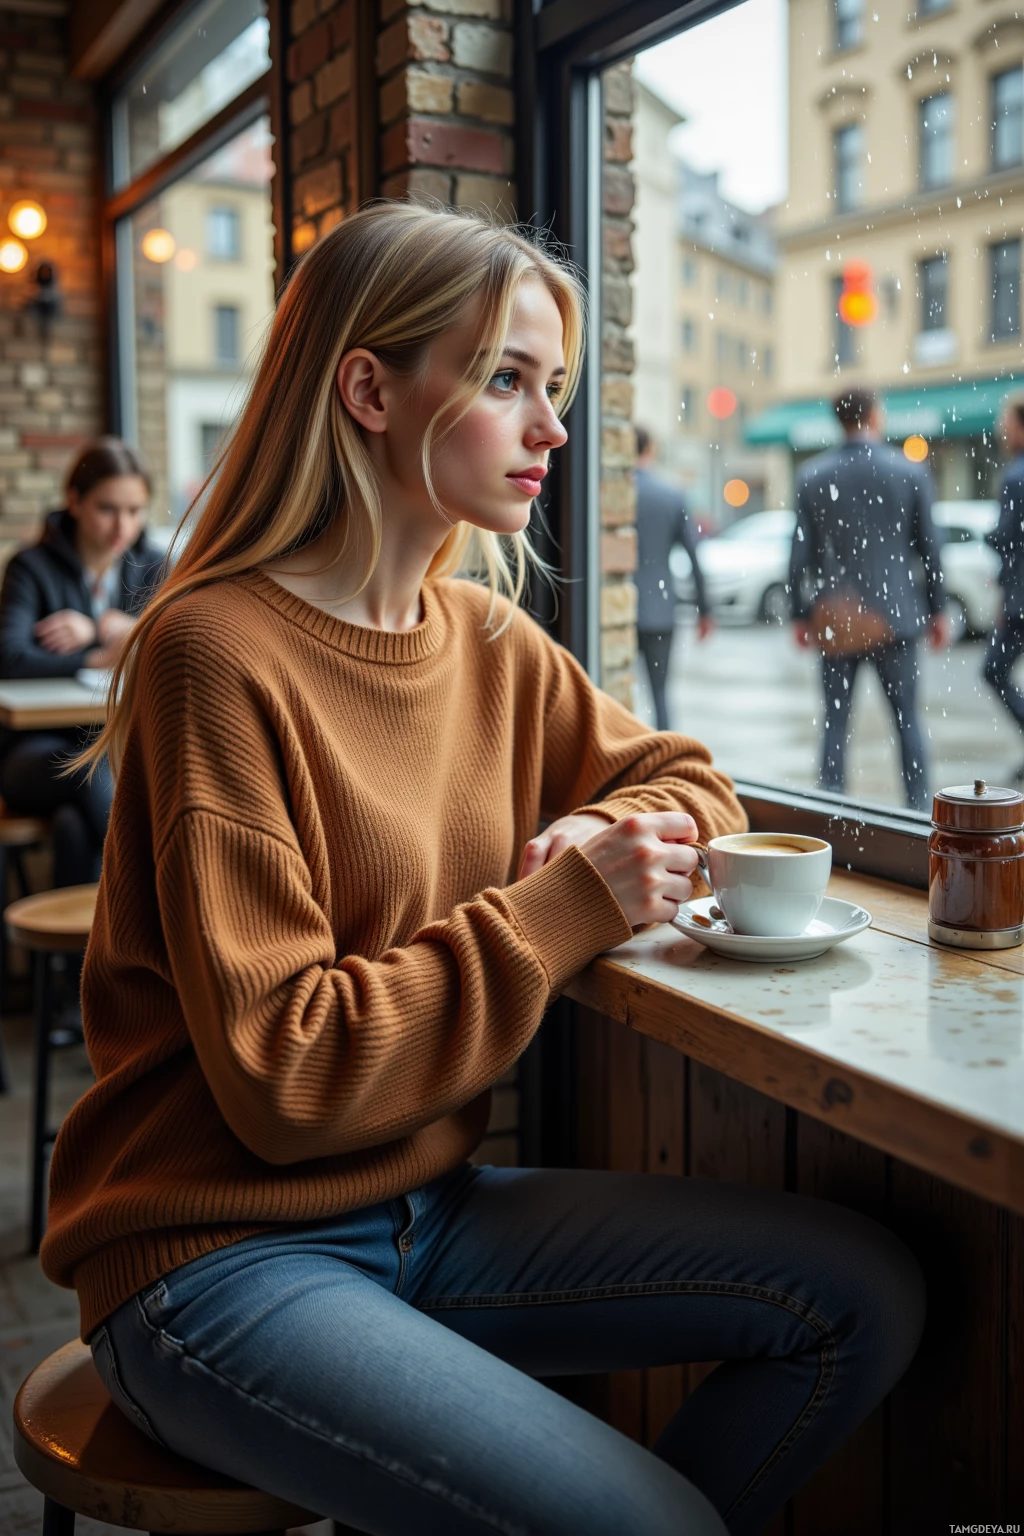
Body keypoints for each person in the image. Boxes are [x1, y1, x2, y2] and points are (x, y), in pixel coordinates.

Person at [41, 205, 924, 1536]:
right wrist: (564, 903)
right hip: (216, 1259)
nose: (552, 429)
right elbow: (289, 1080)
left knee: (866, 1294)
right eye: (508, 379)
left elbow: (692, 780)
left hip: (427, 1213)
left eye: (554, 387)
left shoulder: (484, 636)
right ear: (369, 389)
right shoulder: (211, 653)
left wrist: (587, 835)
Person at [0, 437, 164, 888]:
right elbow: (10, 658)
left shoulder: (154, 566)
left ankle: (74, 959)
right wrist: (95, 652)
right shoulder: (31, 568)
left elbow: (180, 638)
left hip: (117, 740)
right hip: (33, 749)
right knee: (93, 774)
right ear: (74, 501)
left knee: (77, 825)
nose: (122, 526)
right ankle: (154, 897)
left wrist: (109, 629)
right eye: (108, 508)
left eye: (135, 511)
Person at [789, 387, 947, 812]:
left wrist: (800, 615)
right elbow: (930, 549)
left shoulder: (813, 476)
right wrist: (938, 609)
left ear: (838, 420)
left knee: (835, 723)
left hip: (837, 617)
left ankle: (830, 813)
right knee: (907, 721)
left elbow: (799, 553)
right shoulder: (909, 472)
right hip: (896, 616)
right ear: (875, 416)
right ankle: (918, 816)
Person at [635, 425, 713, 731]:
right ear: (650, 449)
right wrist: (705, 610)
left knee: (611, 693)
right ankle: (663, 757)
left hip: (616, 610)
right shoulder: (671, 495)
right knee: (660, 694)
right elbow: (694, 558)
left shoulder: (610, 492)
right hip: (660, 610)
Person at [983, 391, 1024, 778]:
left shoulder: (1015, 475)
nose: (1001, 430)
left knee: (993, 669)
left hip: (1021, 599)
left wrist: (989, 537)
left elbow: (1007, 538)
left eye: (1006, 423)